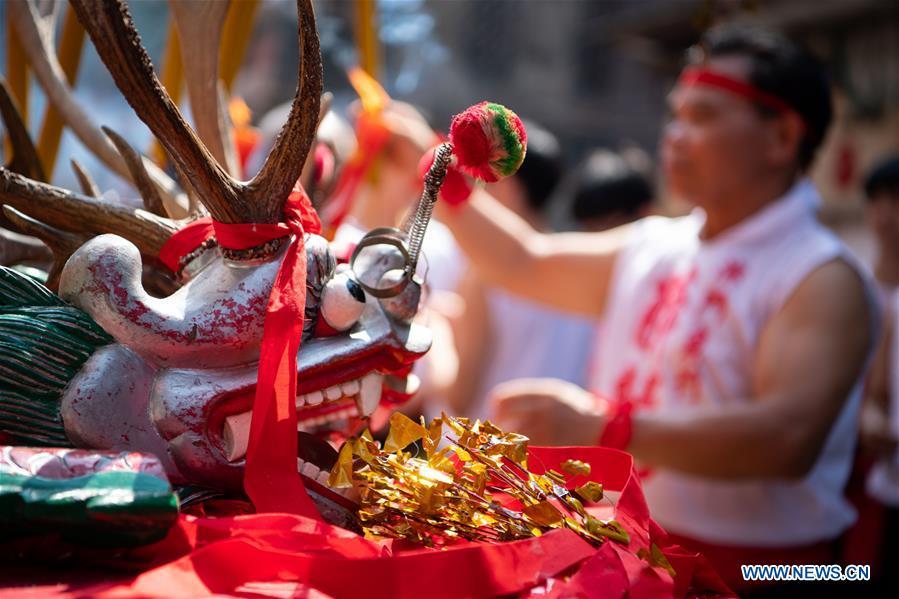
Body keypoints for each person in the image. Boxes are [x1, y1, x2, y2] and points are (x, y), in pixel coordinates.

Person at [416, 25, 876, 593]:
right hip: (632, 551)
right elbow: (523, 262)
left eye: (703, 116)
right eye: (676, 114)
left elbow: (786, 440)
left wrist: (608, 427)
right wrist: (442, 177)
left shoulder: (822, 274)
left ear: (782, 137)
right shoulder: (658, 244)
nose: (676, 134)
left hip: (773, 571)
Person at [860, 156, 899, 594]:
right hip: (859, 474)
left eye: (898, 201)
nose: (888, 215)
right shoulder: (846, 285)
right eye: (879, 201)